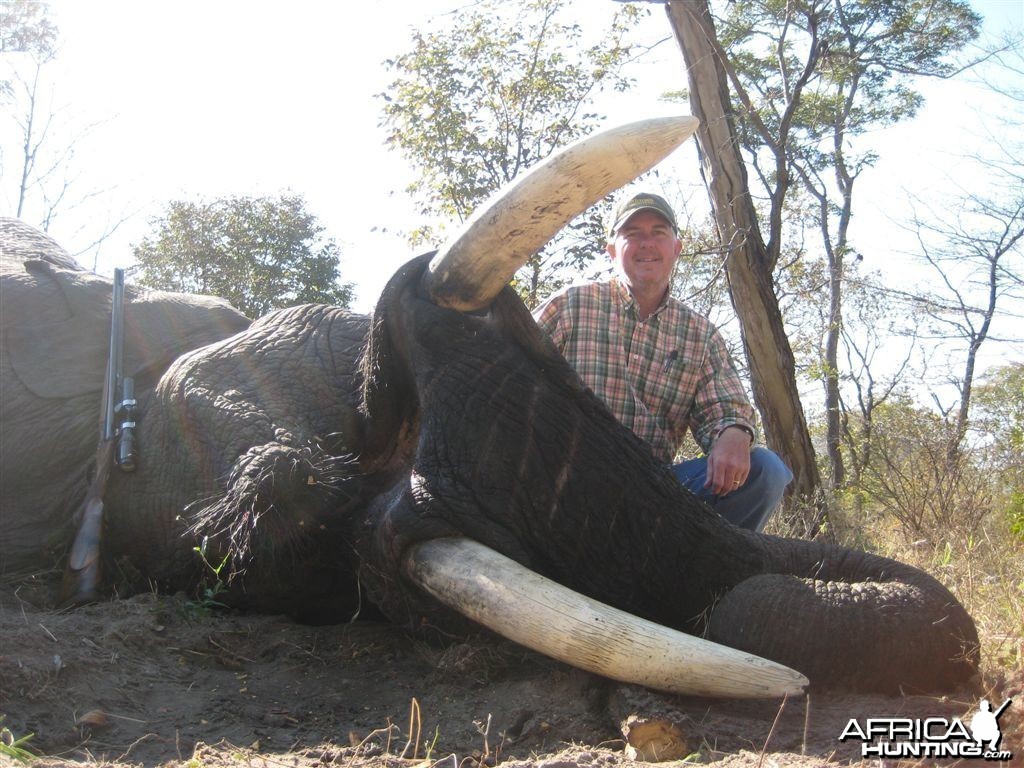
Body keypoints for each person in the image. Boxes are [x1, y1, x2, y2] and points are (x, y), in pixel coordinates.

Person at [532, 191, 792, 531]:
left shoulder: (701, 335)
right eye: (633, 234)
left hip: (651, 495)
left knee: (766, 471)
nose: (647, 244)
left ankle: (708, 581)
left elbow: (726, 410)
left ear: (676, 247)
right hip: (559, 483)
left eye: (658, 232)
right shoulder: (570, 305)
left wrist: (734, 433)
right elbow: (506, 374)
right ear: (611, 250)